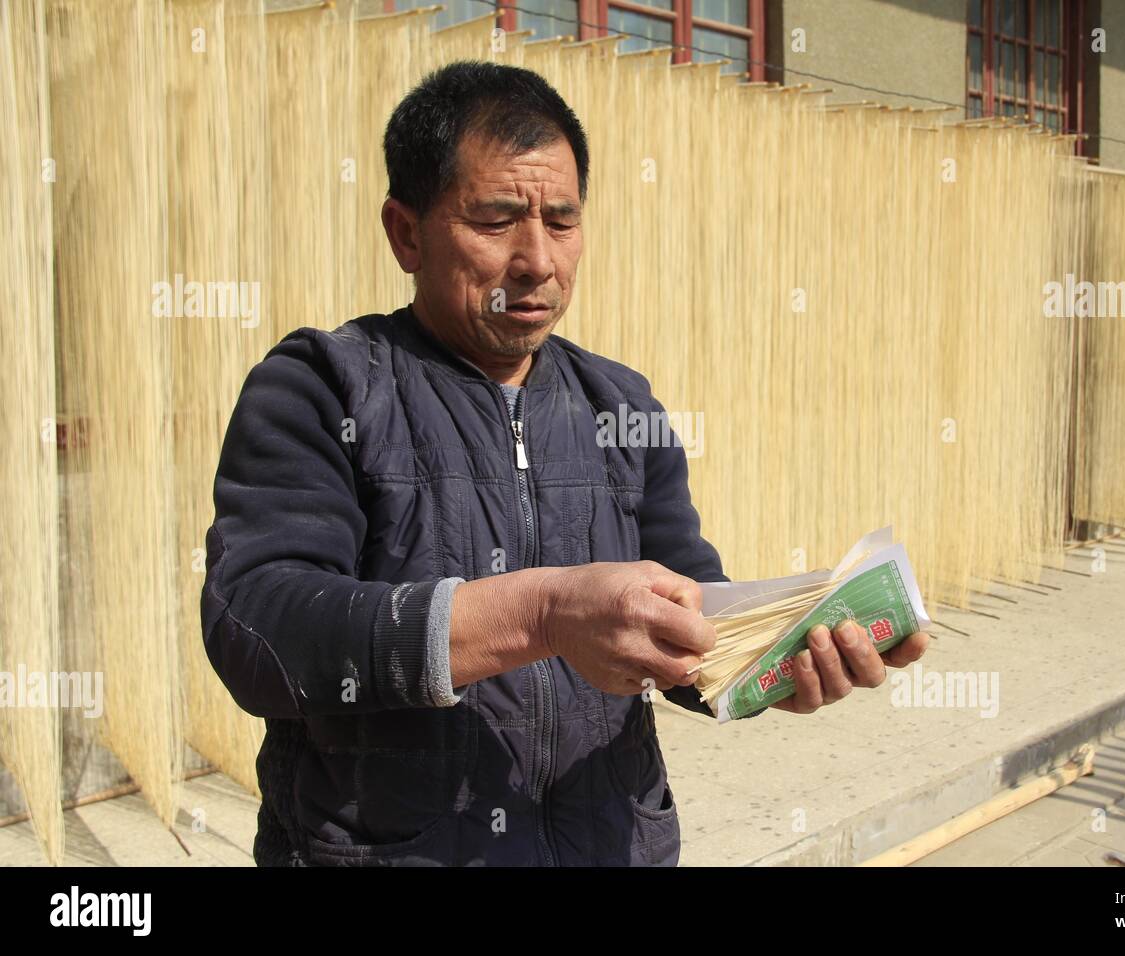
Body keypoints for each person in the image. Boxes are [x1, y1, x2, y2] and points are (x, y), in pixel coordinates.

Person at [200, 60, 929, 867]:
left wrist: (774, 657)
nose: (538, 260)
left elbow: (684, 606)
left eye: (562, 220)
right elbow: (261, 628)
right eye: (497, 219)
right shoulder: (322, 386)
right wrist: (542, 614)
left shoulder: (620, 403)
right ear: (406, 232)